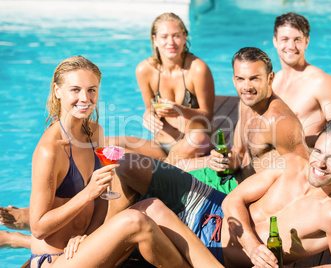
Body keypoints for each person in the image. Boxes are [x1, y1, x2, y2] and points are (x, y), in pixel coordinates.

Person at [10, 55, 222, 268]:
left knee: (151, 206)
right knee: (134, 221)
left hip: (79, 248)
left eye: (91, 90)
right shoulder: (50, 150)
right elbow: (38, 227)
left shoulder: (95, 132)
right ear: (57, 91)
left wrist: (90, 237)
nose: (85, 98)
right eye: (75, 90)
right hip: (52, 261)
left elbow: (102, 199)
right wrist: (88, 193)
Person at [108, 119, 331, 267]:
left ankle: (89, 248)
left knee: (141, 217)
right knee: (126, 162)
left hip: (210, 248)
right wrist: (253, 247)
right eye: (318, 152)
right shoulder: (292, 163)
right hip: (212, 204)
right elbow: (234, 198)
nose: (319, 163)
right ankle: (89, 236)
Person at [180, 46, 308, 192]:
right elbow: (239, 154)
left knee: (168, 189)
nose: (247, 87)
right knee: (173, 171)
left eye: (254, 79)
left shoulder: (279, 121)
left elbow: (303, 174)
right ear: (234, 80)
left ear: (270, 78)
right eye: (240, 79)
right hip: (233, 179)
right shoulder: (245, 103)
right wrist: (223, 162)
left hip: (249, 196)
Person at [106, 12, 215, 165]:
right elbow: (150, 108)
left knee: (197, 138)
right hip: (160, 146)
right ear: (154, 40)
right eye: (164, 37)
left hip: (192, 145)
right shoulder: (145, 70)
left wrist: (180, 110)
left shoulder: (197, 69)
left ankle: (160, 172)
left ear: (184, 37)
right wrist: (148, 115)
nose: (171, 42)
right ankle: (167, 167)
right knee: (108, 142)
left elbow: (207, 116)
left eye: (176, 36)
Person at [272, 12, 331, 147]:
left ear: (306, 42)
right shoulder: (273, 82)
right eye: (285, 39)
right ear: (275, 41)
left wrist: (300, 142)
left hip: (306, 163)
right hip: (273, 161)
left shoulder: (320, 82)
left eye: (297, 39)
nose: (291, 46)